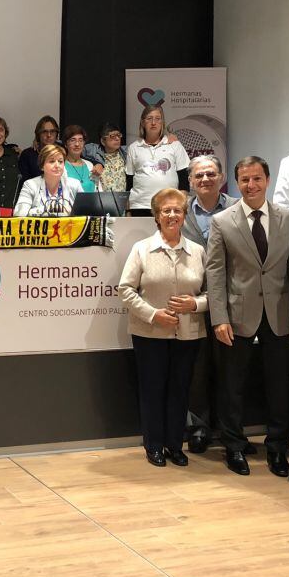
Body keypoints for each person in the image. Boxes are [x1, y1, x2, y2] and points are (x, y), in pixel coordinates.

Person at [206, 157, 289, 478]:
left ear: (268, 180)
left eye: (257, 179)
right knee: (232, 385)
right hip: (236, 315)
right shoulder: (222, 221)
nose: (251, 185)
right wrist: (219, 317)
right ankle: (234, 446)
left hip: (279, 313)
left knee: (279, 385)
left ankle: (278, 448)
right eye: (245, 180)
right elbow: (216, 272)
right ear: (237, 183)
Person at [119, 188, 208, 467]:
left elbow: (211, 294)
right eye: (166, 211)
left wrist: (195, 305)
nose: (172, 215)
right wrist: (153, 314)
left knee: (180, 390)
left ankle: (174, 445)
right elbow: (125, 289)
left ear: (184, 215)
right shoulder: (142, 249)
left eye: (177, 210)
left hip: (188, 334)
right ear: (157, 217)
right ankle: (154, 446)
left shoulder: (198, 251)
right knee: (153, 390)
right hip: (150, 334)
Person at [180, 155, 237, 454]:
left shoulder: (236, 209)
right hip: (193, 300)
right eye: (199, 175)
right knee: (197, 369)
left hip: (229, 302)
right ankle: (199, 427)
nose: (205, 179)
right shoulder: (181, 212)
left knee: (230, 370)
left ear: (221, 176)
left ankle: (231, 432)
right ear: (190, 180)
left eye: (211, 174)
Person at [126, 104, 190, 215]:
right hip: (140, 205)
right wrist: (128, 209)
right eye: (149, 118)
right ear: (142, 122)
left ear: (162, 122)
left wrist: (181, 205)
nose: (153, 122)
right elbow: (129, 180)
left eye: (157, 118)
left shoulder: (174, 145)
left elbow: (184, 178)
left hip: (169, 205)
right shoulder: (133, 148)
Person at [13, 144, 78, 217]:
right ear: (42, 166)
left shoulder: (74, 184)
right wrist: (49, 210)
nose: (57, 165)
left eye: (60, 161)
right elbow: (19, 214)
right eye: (52, 161)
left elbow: (86, 212)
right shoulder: (30, 185)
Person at [83, 123, 128, 194]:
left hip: (121, 201)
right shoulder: (93, 150)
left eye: (119, 135)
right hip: (100, 200)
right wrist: (96, 163)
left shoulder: (125, 152)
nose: (117, 138)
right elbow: (75, 150)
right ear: (103, 141)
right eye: (112, 136)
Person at [62, 124, 103, 193]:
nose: (77, 144)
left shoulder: (90, 165)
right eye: (73, 140)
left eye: (80, 140)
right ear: (66, 144)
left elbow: (98, 190)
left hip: (92, 203)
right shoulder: (61, 166)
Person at [19, 116, 60, 181]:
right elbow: (25, 182)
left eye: (52, 131)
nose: (49, 135)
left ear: (56, 134)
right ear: (38, 134)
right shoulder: (27, 155)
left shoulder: (62, 151)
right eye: (44, 131)